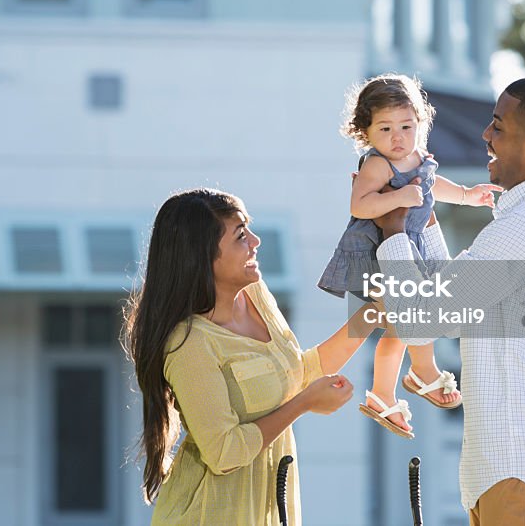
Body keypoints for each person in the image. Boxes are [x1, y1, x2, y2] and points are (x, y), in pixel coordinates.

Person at [373, 76, 525, 525]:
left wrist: (393, 230)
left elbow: (423, 318)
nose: (485, 136)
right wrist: (423, 220)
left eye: (498, 126)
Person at [123, 188, 378, 525]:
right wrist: (303, 404)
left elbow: (296, 373)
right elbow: (224, 453)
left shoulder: (255, 295)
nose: (255, 241)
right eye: (241, 235)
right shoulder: (189, 343)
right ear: (202, 256)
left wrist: (371, 315)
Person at [317, 73, 501, 438]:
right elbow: (361, 203)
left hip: (407, 248)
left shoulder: (417, 157)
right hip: (376, 254)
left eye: (406, 125)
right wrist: (397, 199)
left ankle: (384, 393)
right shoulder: (377, 165)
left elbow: (432, 187)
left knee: (402, 327)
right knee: (412, 315)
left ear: (421, 123)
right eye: (384, 129)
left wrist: (466, 194)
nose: (397, 137)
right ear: (365, 132)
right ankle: (423, 371)